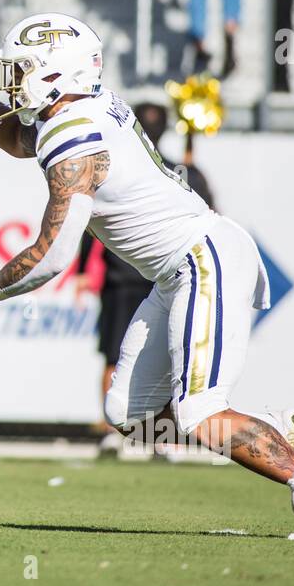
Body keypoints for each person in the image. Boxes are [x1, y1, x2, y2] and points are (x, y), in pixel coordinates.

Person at [0, 13, 294, 540]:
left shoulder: (75, 133)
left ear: (56, 73)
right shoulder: (77, 108)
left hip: (203, 258)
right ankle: (280, 439)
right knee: (128, 412)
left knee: (200, 411)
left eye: (22, 69)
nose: (13, 81)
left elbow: (52, 255)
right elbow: (17, 141)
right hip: (175, 271)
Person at [78, 101, 211, 453]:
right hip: (169, 274)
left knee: (114, 355)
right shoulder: (183, 171)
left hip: (125, 275)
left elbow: (82, 217)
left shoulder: (120, 166)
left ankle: (113, 432)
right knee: (171, 355)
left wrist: (79, 271)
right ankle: (162, 439)